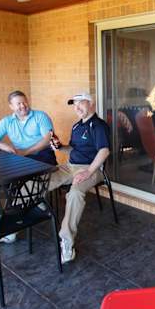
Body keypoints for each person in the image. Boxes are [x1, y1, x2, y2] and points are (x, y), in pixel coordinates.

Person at [0, 90, 58, 245]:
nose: (23, 106)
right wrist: (2, 145)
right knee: (3, 179)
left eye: (24, 102)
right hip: (20, 159)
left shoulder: (40, 116)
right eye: (18, 104)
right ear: (11, 106)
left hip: (42, 156)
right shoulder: (7, 121)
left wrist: (26, 152)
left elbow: (47, 139)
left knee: (20, 185)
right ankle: (33, 202)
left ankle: (9, 231)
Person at [50, 92, 110, 263]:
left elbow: (104, 151)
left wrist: (88, 171)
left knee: (75, 193)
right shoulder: (76, 126)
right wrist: (59, 147)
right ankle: (14, 225)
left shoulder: (98, 126)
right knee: (42, 180)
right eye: (74, 105)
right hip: (70, 167)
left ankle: (67, 242)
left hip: (91, 169)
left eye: (80, 103)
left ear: (91, 104)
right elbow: (73, 150)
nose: (77, 108)